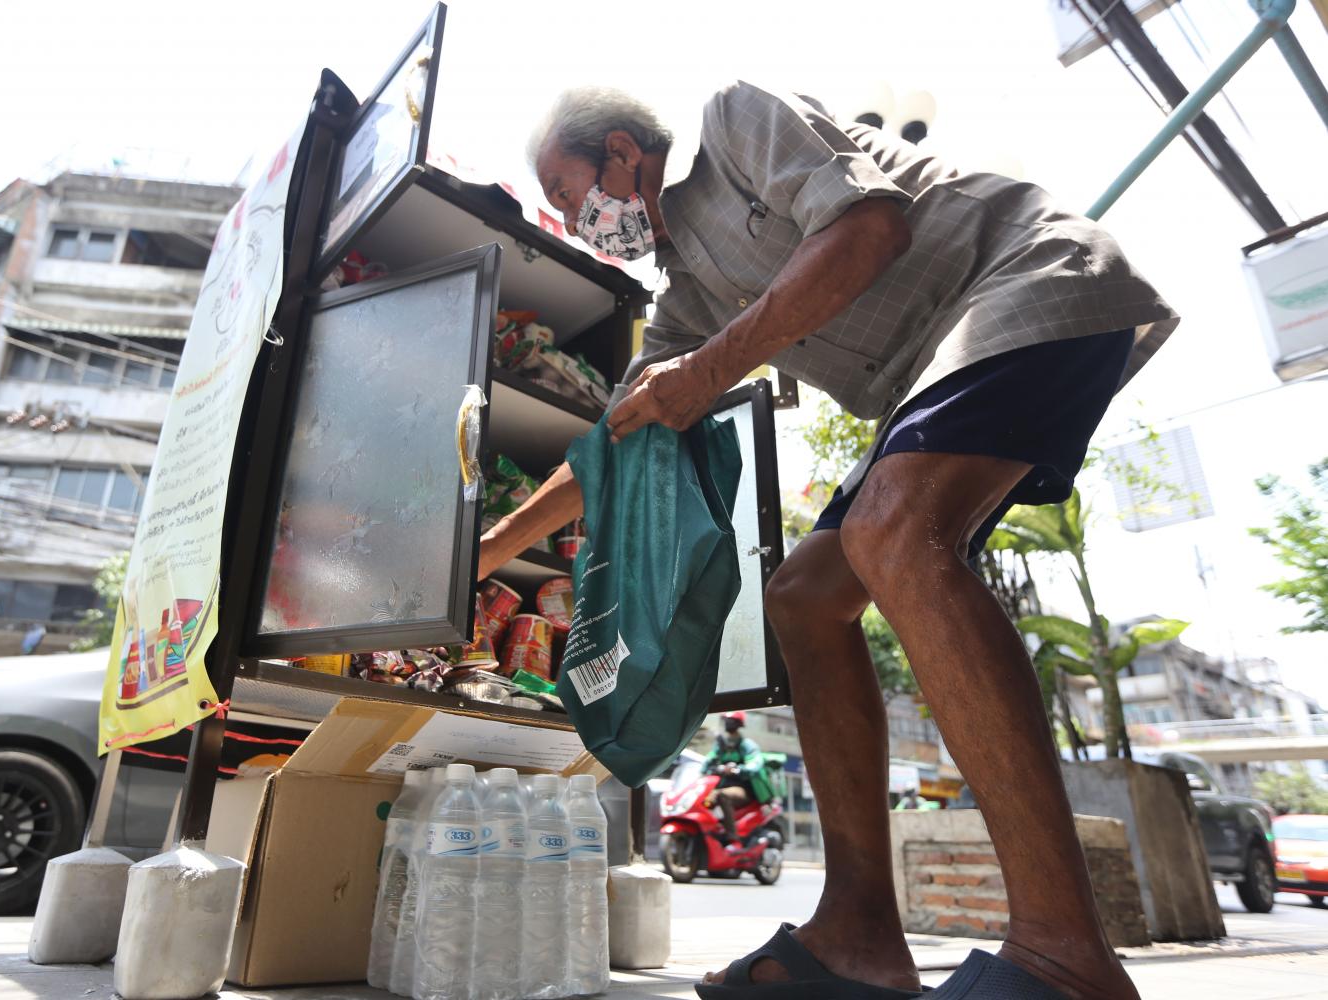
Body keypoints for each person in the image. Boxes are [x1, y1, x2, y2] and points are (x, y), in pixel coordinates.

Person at [481, 82, 1179, 999]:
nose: (576, 225)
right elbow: (621, 433)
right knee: (805, 599)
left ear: (620, 153)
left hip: (1029, 277)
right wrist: (484, 555)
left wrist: (710, 370)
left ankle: (1065, 954)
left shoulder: (733, 124)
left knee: (896, 528)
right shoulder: (687, 290)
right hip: (933, 373)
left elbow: (869, 227)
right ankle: (858, 933)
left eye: (571, 196)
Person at [702, 712, 771, 844]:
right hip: (720, 786)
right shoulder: (721, 745)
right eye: (727, 720)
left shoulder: (747, 745)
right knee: (703, 799)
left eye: (732, 720)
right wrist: (714, 768)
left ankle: (732, 836)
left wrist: (738, 769)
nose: (728, 723)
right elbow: (707, 762)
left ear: (739, 724)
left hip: (743, 790)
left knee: (721, 795)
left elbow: (755, 764)